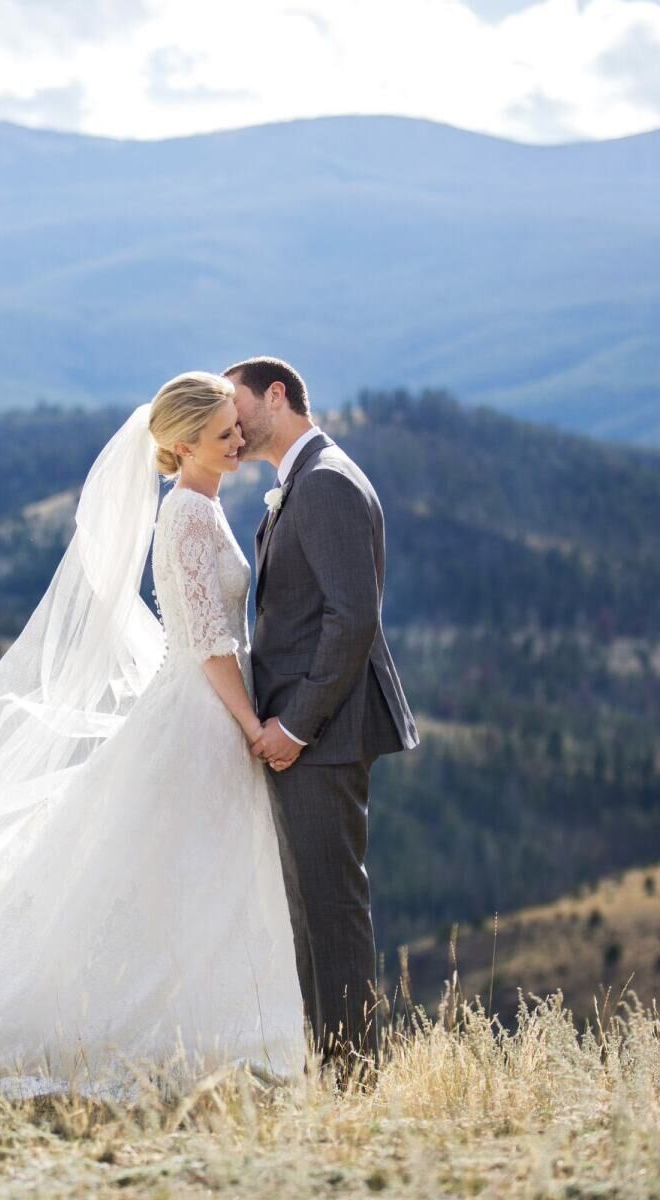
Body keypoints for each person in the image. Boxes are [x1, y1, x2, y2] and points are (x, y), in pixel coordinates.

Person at [0, 371, 307, 1098]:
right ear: (185, 442)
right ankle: (187, 1029)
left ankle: (217, 1026)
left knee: (191, 872)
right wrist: (252, 721)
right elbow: (205, 642)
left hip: (204, 712)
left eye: (236, 426)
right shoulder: (190, 516)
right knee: (190, 870)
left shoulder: (199, 505)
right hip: (202, 713)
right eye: (224, 430)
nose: (239, 438)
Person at [224, 356, 419, 1078]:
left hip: (324, 738)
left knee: (332, 909)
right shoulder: (302, 481)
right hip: (307, 736)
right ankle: (329, 1069)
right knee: (311, 909)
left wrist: (296, 726)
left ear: (277, 395)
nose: (232, 423)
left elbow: (352, 620)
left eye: (238, 405)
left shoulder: (328, 481)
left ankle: (351, 1079)